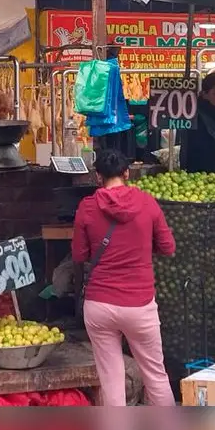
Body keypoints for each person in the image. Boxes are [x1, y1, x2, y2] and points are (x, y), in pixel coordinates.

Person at [72, 149, 176, 406]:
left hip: (99, 305)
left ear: (98, 177)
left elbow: (79, 255)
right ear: (126, 173)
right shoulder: (148, 203)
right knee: (156, 377)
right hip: (139, 304)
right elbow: (168, 247)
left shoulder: (86, 207)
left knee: (111, 381)